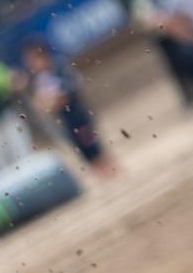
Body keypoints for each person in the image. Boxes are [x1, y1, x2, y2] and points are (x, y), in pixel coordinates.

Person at [20, 39, 119, 178]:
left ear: (41, 56)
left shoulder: (59, 67)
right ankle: (103, 173)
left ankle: (112, 170)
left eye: (32, 60)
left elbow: (70, 91)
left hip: (77, 115)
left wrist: (52, 101)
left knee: (93, 145)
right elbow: (40, 104)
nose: (30, 64)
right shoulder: (39, 79)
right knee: (82, 150)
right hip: (64, 120)